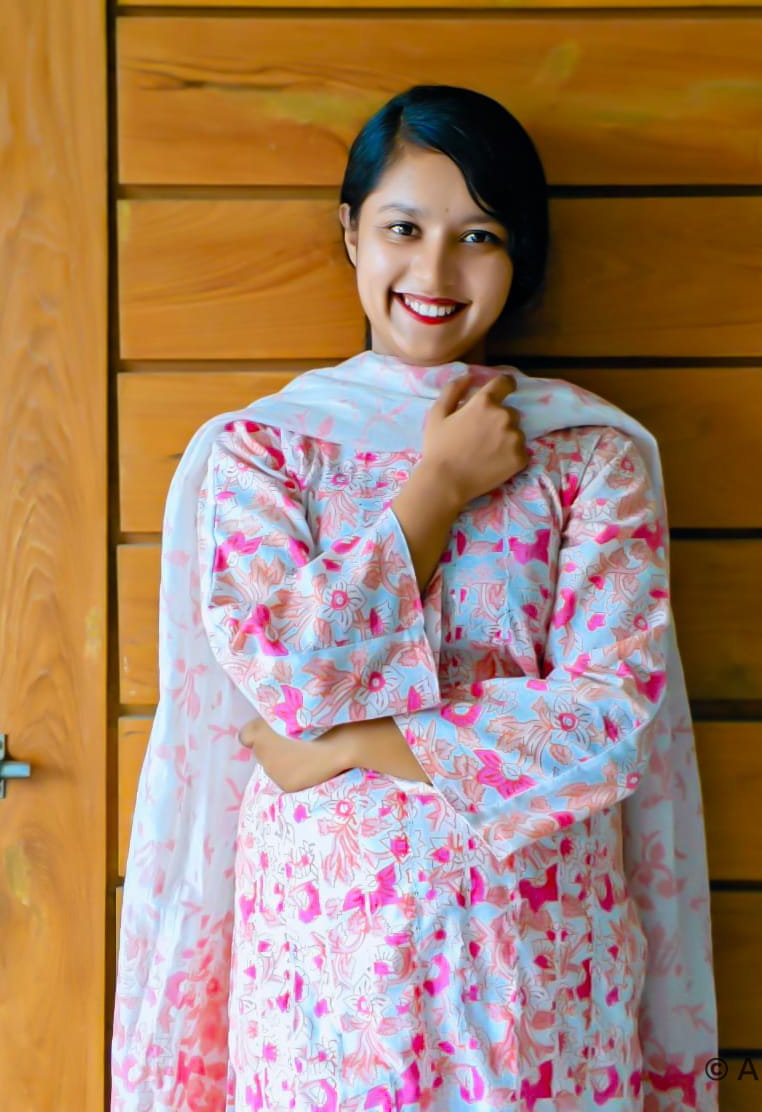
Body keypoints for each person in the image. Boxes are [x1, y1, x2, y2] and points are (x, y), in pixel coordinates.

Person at [111, 85, 718, 1111]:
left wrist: (354, 743)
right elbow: (286, 676)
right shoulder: (266, 453)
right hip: (324, 978)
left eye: (477, 236)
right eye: (403, 228)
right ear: (352, 232)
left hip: (535, 969)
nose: (434, 273)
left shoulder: (588, 456)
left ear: (519, 255)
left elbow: (609, 718)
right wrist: (434, 488)